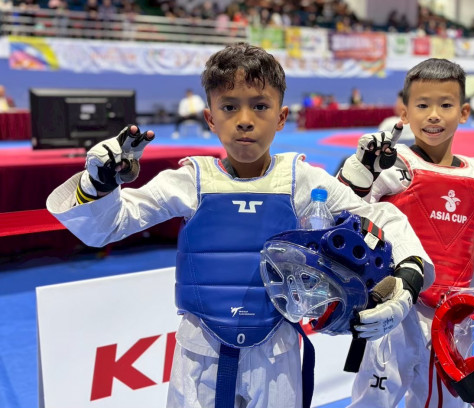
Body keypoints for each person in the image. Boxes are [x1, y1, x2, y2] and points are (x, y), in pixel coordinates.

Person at [46, 42, 434, 408]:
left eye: (260, 106)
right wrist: (97, 185)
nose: (245, 121)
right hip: (199, 352)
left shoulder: (301, 180)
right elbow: (108, 227)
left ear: (281, 117)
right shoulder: (190, 180)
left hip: (277, 349)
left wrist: (406, 281)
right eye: (229, 107)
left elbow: (380, 217)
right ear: (210, 118)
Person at [337, 58, 474, 408]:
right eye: (422, 105)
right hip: (396, 304)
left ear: (463, 113)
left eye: (445, 105)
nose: (433, 115)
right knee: (373, 400)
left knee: (446, 402)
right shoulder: (391, 166)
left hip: (455, 317)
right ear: (404, 112)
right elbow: (344, 213)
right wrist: (359, 172)